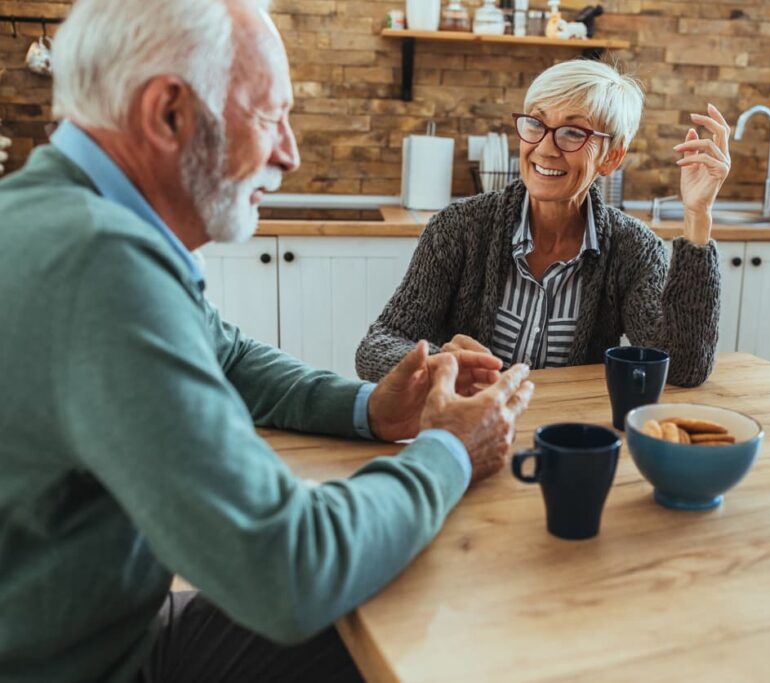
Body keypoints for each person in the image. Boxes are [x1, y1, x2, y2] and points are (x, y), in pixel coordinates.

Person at [0, 1, 534, 681]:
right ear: (169, 113)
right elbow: (293, 567)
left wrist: (376, 408)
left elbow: (227, 353)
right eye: (268, 116)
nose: (290, 151)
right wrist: (450, 449)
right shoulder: (100, 263)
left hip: (106, 632)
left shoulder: (59, 209)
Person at [356, 59, 730, 388]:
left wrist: (698, 216)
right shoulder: (459, 228)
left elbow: (683, 368)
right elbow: (379, 345)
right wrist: (440, 365)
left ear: (611, 158)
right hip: (466, 429)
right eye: (536, 123)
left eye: (573, 132)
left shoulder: (632, 248)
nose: (546, 148)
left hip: (568, 437)